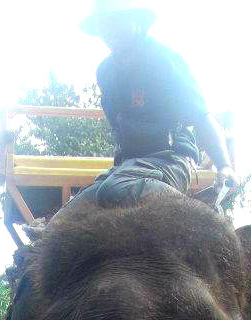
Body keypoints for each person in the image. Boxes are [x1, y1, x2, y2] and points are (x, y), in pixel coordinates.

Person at [79, 1, 236, 206]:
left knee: (113, 190)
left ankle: (187, 208)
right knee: (76, 208)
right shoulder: (105, 72)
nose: (109, 30)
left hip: (169, 159)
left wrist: (224, 165)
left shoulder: (165, 60)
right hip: (128, 167)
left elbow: (201, 116)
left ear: (138, 21)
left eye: (117, 21)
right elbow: (118, 126)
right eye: (103, 24)